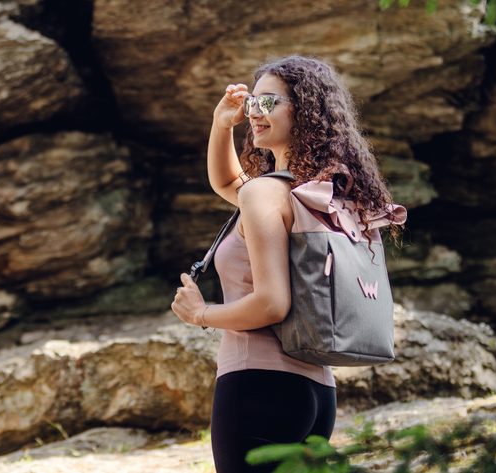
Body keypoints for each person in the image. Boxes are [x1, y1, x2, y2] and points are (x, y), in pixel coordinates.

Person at [170, 55, 403, 473]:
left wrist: (200, 314)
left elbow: (272, 305)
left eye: (268, 104)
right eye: (252, 104)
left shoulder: (267, 195)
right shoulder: (320, 197)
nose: (255, 114)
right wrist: (222, 125)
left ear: (305, 110)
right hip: (317, 396)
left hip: (257, 387)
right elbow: (228, 183)